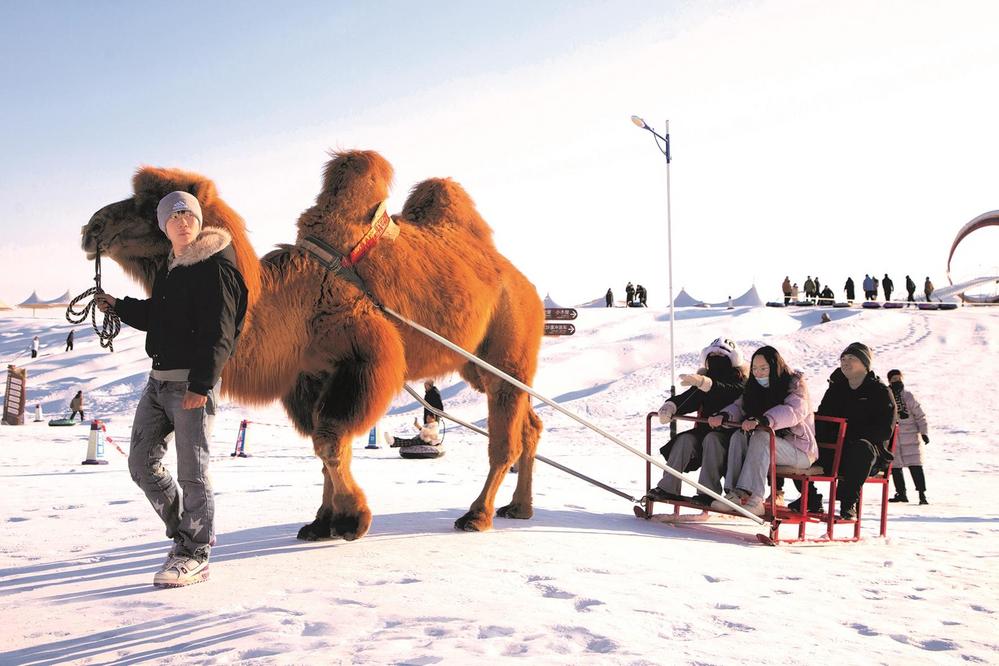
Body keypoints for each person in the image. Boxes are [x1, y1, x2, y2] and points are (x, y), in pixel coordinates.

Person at [95, 191, 248, 588]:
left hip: (191, 386)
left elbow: (221, 332)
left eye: (188, 215)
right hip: (158, 382)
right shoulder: (172, 267)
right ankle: (188, 534)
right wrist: (117, 305)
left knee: (192, 473)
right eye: (174, 216)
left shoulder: (215, 267)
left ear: (198, 221)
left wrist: (201, 384)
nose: (182, 221)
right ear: (164, 226)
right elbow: (159, 315)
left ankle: (195, 554)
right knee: (141, 464)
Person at [705, 346, 817, 516]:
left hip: (799, 450)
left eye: (764, 368)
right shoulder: (754, 388)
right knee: (739, 436)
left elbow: (793, 412)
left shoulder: (794, 386)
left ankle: (756, 499)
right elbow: (740, 407)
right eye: (755, 369)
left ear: (775, 367)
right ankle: (734, 494)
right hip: (769, 446)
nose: (758, 373)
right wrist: (724, 415)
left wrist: (764, 420)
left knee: (762, 437)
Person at [796, 343, 896, 519]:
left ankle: (849, 502)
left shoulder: (880, 392)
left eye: (852, 358)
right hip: (835, 450)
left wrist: (850, 433)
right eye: (843, 359)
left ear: (865, 363)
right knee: (798, 447)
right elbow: (823, 418)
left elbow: (885, 430)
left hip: (866, 455)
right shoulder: (836, 389)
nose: (845, 362)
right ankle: (810, 498)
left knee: (861, 449)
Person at [647, 338, 747, 502]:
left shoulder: (741, 381)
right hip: (704, 432)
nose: (716, 359)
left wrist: (707, 384)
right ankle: (667, 488)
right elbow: (690, 398)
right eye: (712, 355)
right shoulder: (705, 380)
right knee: (684, 440)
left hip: (730, 437)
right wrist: (672, 405)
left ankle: (707, 493)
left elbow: (731, 391)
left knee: (712, 439)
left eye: (721, 355)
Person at [887, 370, 929, 505]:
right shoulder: (886, 395)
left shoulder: (909, 396)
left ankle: (922, 494)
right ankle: (901, 493)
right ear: (889, 381)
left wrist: (924, 433)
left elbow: (920, 415)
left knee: (915, 466)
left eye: (899, 378)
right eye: (894, 379)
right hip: (893, 436)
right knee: (895, 467)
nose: (897, 381)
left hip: (910, 436)